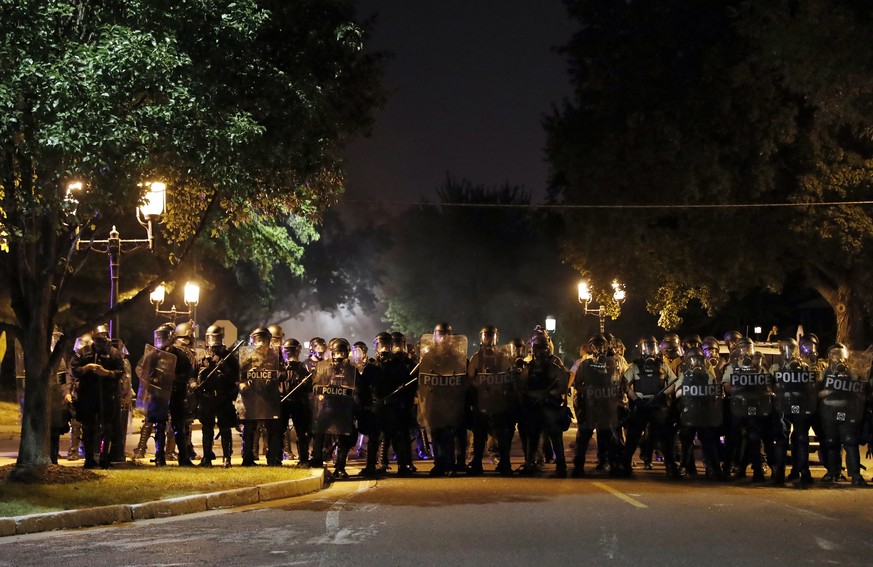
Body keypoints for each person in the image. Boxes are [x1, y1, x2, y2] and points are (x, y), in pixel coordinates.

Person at [623, 336, 680, 479]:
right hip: (641, 405)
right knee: (632, 437)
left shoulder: (662, 365)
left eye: (652, 347)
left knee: (665, 438)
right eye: (647, 348)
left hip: (658, 405)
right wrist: (635, 399)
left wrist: (664, 394)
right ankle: (625, 466)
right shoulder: (635, 366)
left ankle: (671, 467)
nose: (650, 351)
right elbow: (624, 384)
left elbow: (674, 382)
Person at [69, 324, 125, 468]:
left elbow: (120, 371)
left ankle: (104, 458)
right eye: (98, 338)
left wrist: (107, 373)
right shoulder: (84, 352)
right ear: (93, 338)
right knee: (88, 428)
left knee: (107, 428)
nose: (101, 341)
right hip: (88, 395)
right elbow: (74, 369)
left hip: (107, 395)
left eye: (104, 337)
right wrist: (86, 368)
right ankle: (89, 459)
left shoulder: (114, 352)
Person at [417, 322, 469, 476]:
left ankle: (451, 463)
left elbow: (463, 378)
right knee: (436, 433)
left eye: (447, 334)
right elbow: (421, 379)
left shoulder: (457, 357)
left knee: (449, 433)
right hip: (434, 401)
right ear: (435, 336)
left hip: (450, 400)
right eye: (441, 334)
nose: (444, 338)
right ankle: (439, 463)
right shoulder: (428, 356)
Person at [571, 334, 625, 477]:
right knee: (583, 437)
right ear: (591, 348)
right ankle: (578, 466)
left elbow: (620, 382)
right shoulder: (585, 364)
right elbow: (577, 383)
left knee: (610, 437)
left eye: (602, 345)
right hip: (590, 406)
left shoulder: (613, 363)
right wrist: (586, 391)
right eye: (596, 345)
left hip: (606, 405)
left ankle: (613, 464)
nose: (599, 348)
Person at [467, 325, 517, 476]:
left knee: (502, 434)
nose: (489, 339)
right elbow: (470, 377)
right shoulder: (477, 357)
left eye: (491, 336)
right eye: (486, 336)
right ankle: (477, 462)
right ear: (481, 338)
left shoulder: (503, 356)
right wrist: (479, 385)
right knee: (479, 434)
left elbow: (509, 375)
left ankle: (505, 462)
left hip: (498, 400)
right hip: (482, 401)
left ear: (496, 338)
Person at [721, 337, 774, 482]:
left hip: (755, 407)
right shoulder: (732, 367)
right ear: (738, 351)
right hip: (738, 406)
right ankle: (727, 468)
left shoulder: (760, 368)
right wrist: (738, 387)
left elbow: (768, 387)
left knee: (754, 438)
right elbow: (726, 387)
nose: (746, 352)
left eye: (748, 348)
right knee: (733, 439)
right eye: (743, 348)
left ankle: (756, 471)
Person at [518, 328, 569, 477]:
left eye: (543, 347)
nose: (541, 350)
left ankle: (561, 465)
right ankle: (530, 463)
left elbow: (562, 385)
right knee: (532, 436)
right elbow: (522, 384)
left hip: (550, 404)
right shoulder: (529, 364)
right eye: (538, 347)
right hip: (534, 405)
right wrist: (531, 395)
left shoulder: (555, 363)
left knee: (555, 435)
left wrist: (548, 395)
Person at [671, 347, 726, 480]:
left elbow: (717, 391)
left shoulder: (708, 374)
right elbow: (677, 392)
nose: (696, 362)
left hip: (705, 411)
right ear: (688, 361)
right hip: (689, 411)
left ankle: (714, 468)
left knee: (708, 439)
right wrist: (687, 390)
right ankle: (685, 467)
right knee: (686, 439)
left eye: (698, 359)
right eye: (693, 359)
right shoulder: (684, 375)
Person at [818, 344, 868, 486]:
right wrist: (826, 393)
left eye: (840, 354)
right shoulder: (825, 372)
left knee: (850, 442)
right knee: (832, 443)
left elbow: (859, 391)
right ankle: (834, 472)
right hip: (829, 412)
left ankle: (855, 475)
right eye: (834, 355)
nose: (838, 358)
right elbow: (816, 391)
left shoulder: (851, 372)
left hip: (847, 412)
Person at [310, 338, 359, 479]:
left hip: (343, 408)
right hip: (327, 406)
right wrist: (321, 391)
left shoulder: (351, 369)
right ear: (332, 353)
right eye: (337, 353)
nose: (339, 356)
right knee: (319, 431)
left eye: (342, 353)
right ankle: (317, 460)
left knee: (344, 436)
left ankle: (340, 467)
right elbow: (315, 385)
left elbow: (359, 387)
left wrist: (352, 391)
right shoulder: (324, 367)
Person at [770, 338, 817, 485]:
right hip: (784, 406)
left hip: (799, 405)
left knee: (799, 438)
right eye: (785, 349)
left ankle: (802, 471)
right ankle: (782, 473)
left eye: (790, 348)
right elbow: (769, 387)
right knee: (785, 438)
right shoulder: (776, 367)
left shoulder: (804, 367)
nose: (788, 352)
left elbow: (812, 387)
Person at [195, 324, 239, 467]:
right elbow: (192, 374)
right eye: (211, 338)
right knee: (207, 428)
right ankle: (207, 457)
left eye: (216, 338)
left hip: (223, 397)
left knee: (225, 428)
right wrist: (193, 385)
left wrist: (224, 367)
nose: (214, 342)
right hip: (206, 397)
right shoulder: (201, 356)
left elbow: (236, 377)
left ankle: (227, 457)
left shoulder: (229, 357)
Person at [238, 327, 283, 466]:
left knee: (273, 429)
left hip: (269, 396)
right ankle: (247, 458)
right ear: (253, 340)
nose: (261, 343)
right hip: (252, 396)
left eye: (264, 340)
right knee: (249, 429)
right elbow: (239, 374)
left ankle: (273, 458)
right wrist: (244, 383)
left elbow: (284, 372)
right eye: (259, 339)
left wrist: (275, 375)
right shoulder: (246, 356)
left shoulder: (276, 355)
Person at [281, 338, 312, 467]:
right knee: (279, 431)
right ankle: (276, 458)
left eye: (293, 352)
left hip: (298, 402)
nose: (291, 355)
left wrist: (305, 383)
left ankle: (304, 459)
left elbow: (309, 388)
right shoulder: (280, 368)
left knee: (301, 432)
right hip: (283, 402)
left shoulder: (303, 369)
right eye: (288, 352)